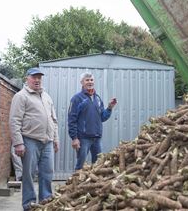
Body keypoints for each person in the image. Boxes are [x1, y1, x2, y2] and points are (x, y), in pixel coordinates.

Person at [9, 67, 59, 211]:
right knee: (29, 175)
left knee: (47, 173)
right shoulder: (21, 96)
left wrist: (56, 139)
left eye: (39, 77)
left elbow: (53, 120)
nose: (37, 80)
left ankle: (45, 202)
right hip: (29, 140)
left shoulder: (47, 96)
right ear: (27, 79)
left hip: (47, 141)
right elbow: (14, 121)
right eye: (34, 77)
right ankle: (29, 205)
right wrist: (18, 143)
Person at [68, 71, 117, 170]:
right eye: (87, 80)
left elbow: (102, 117)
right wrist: (74, 138)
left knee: (98, 166)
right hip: (83, 138)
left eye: (91, 80)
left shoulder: (97, 98)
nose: (90, 82)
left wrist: (109, 108)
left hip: (97, 138)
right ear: (82, 82)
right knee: (80, 166)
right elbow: (71, 119)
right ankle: (77, 184)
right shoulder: (77, 99)